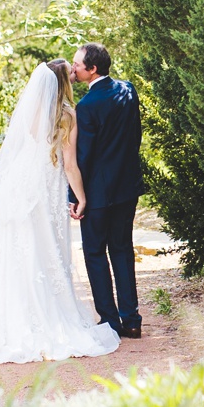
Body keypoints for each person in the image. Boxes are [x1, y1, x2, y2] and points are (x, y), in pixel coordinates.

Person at [0, 59, 120, 362]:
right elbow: (70, 164)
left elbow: (20, 147)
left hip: (22, 183)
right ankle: (45, 315)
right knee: (46, 247)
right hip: (46, 186)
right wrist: (82, 197)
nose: (75, 74)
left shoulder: (32, 110)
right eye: (71, 72)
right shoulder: (67, 115)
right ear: (63, 83)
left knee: (20, 249)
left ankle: (16, 315)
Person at [69, 41, 144, 338]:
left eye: (77, 64)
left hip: (98, 195)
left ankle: (110, 322)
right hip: (127, 186)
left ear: (93, 69)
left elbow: (83, 157)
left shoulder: (85, 107)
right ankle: (132, 319)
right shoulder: (128, 90)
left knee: (95, 253)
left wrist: (76, 198)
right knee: (123, 251)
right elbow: (135, 135)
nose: (74, 68)